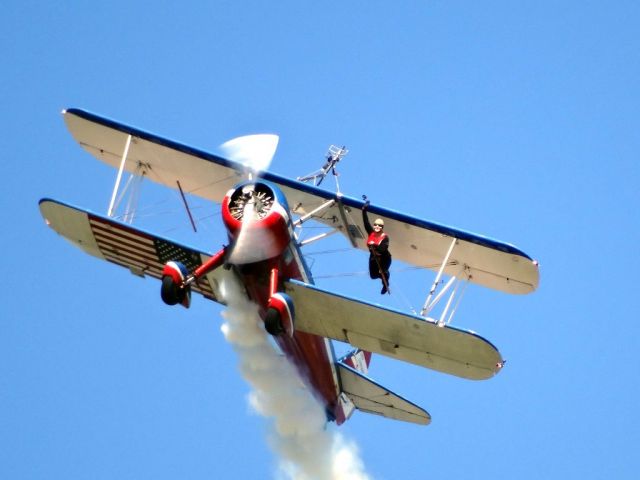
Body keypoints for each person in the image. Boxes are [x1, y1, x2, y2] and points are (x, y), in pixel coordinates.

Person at [362, 200, 392, 294]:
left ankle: (385, 281)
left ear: (382, 227)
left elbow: (383, 248)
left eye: (379, 226)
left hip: (384, 258)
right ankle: (381, 276)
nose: (377, 227)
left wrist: (375, 248)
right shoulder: (371, 233)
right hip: (374, 258)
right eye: (375, 225)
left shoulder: (384, 237)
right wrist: (364, 210)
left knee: (383, 271)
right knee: (373, 275)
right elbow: (366, 223)